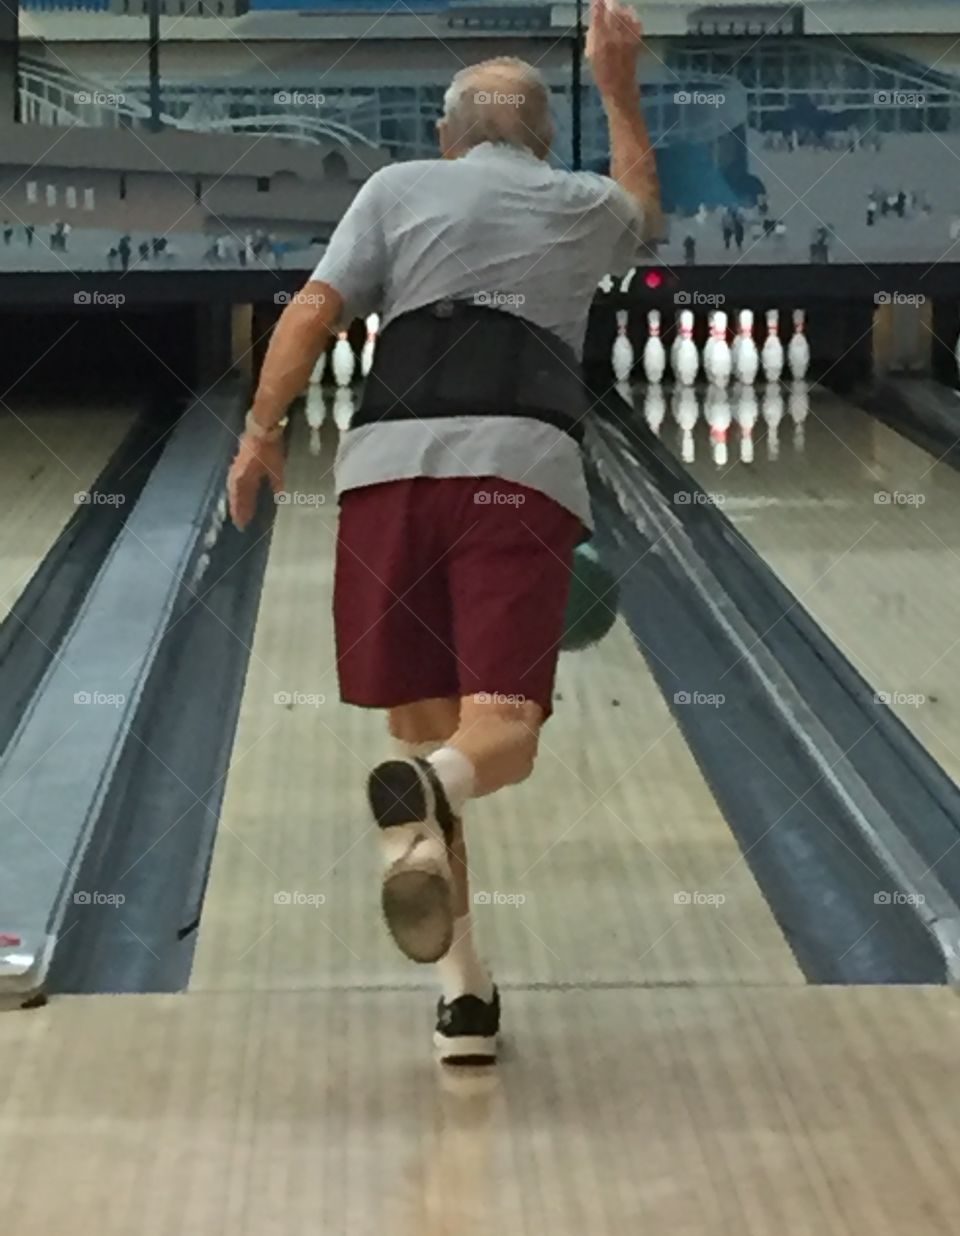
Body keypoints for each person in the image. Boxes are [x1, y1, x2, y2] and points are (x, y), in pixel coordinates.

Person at [226, 0, 661, 1066]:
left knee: (423, 742)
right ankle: (441, 800)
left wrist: (259, 430)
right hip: (519, 472)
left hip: (384, 477)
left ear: (444, 137)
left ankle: (465, 997)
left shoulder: (393, 188)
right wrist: (617, 83)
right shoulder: (578, 198)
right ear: (546, 141)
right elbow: (644, 211)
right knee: (497, 733)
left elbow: (315, 310)